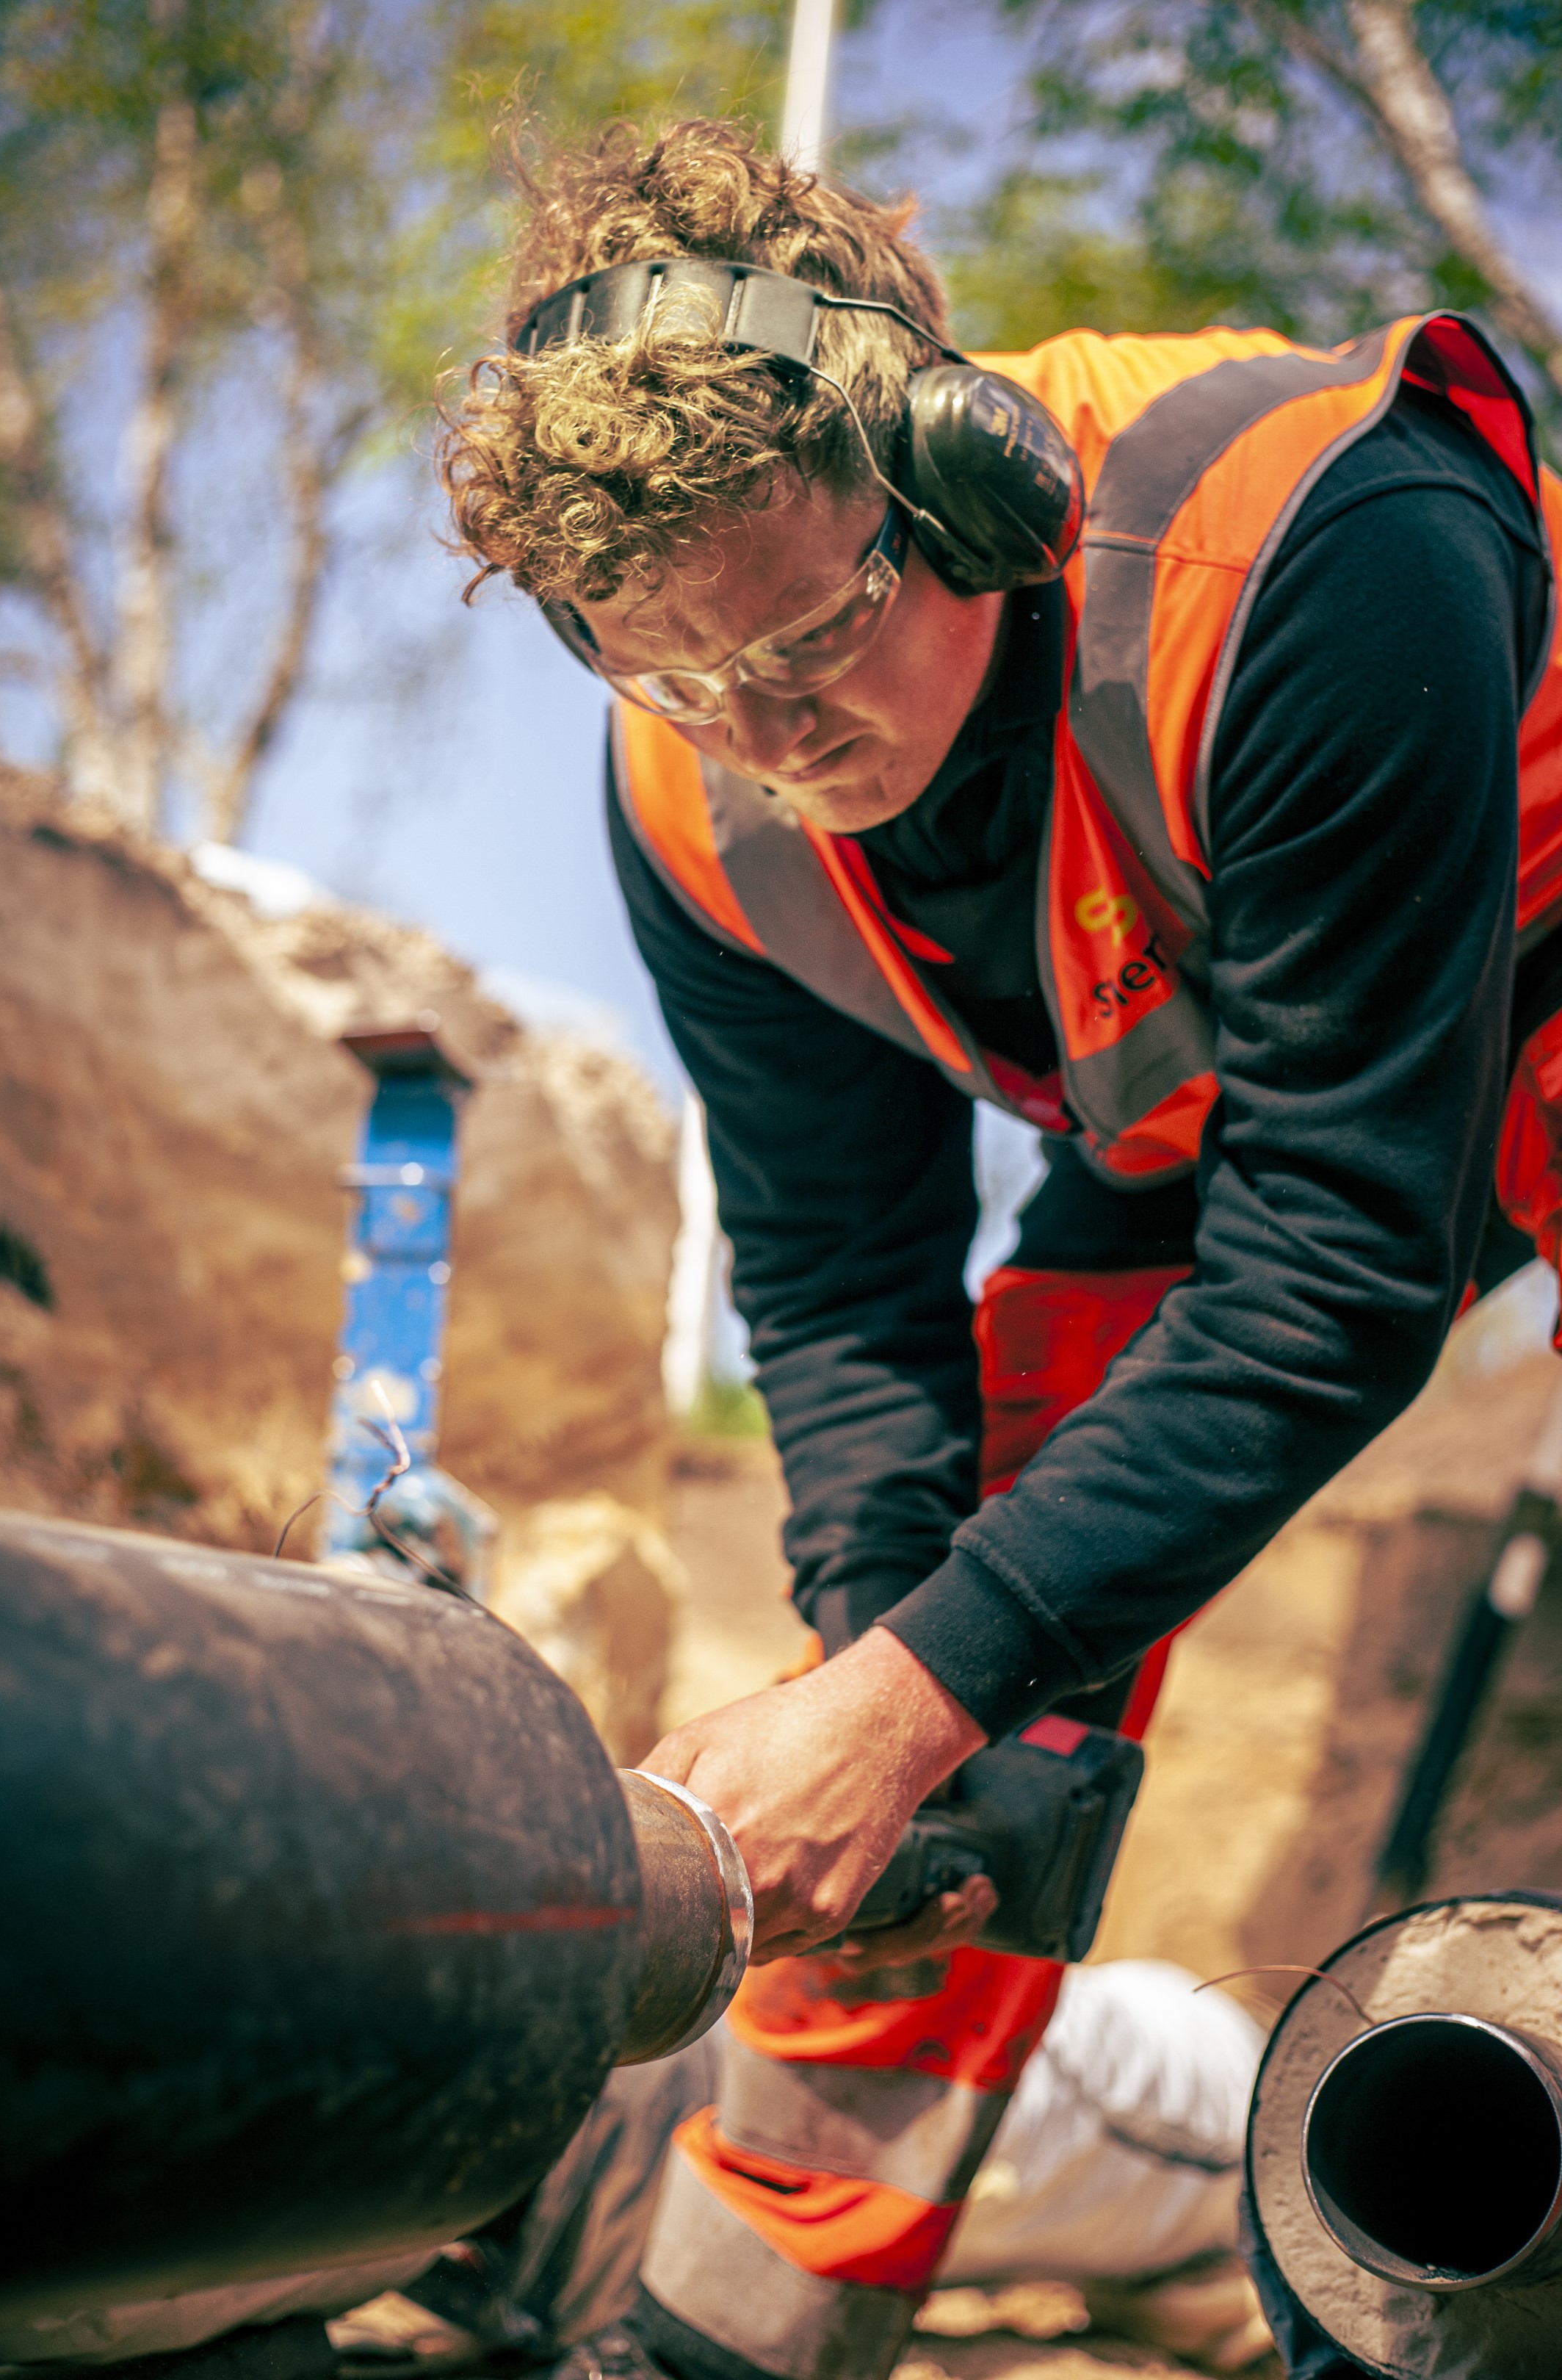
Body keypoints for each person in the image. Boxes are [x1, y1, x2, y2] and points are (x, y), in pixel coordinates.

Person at [438, 115, 1561, 2380]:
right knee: (938, 1691)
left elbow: (1342, 1256)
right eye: (676, 679)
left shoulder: (1309, 532)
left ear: (964, 488)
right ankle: (734, 2333)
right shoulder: (704, 783)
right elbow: (843, 1290)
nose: (773, 734)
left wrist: (916, 1685)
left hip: (1508, 974)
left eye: (824, 629)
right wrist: (895, 1698)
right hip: (1242, 1102)